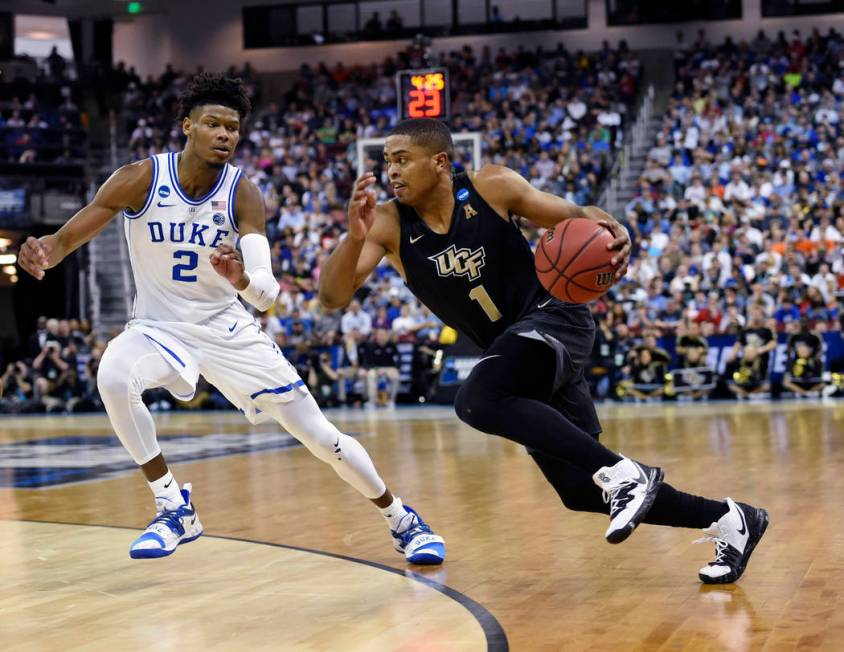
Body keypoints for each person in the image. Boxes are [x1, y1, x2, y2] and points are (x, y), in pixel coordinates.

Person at [319, 117, 768, 584]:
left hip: (555, 319)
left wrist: (615, 231)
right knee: (579, 489)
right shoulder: (388, 224)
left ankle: (625, 473)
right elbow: (332, 297)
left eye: (402, 159)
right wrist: (354, 238)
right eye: (387, 161)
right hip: (514, 353)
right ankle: (732, 520)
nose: (391, 171)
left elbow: (578, 214)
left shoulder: (491, 185)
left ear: (440, 162)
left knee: (477, 399)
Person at [17, 75, 444, 565]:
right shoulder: (139, 178)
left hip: (227, 328)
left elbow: (266, 295)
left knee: (321, 437)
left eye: (233, 127)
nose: (224, 134)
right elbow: (68, 238)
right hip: (159, 329)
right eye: (213, 124)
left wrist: (241, 280)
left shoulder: (243, 193)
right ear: (188, 126)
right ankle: (173, 506)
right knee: (113, 373)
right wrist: (44, 251)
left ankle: (401, 519)